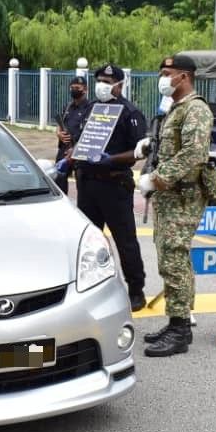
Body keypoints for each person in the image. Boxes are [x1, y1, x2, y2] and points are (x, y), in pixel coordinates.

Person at [135, 54, 213, 357]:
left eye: (167, 73)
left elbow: (194, 153)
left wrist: (157, 178)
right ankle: (177, 322)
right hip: (169, 197)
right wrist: (149, 144)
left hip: (183, 196)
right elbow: (171, 146)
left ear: (184, 76)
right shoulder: (174, 108)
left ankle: (180, 331)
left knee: (174, 258)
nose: (163, 79)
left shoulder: (196, 109)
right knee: (169, 257)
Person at [74, 64, 148, 311]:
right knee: (87, 242)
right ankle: (89, 289)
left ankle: (136, 290)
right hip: (88, 184)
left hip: (114, 185)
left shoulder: (130, 113)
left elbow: (138, 152)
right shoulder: (90, 109)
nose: (102, 85)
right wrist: (69, 159)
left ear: (120, 84)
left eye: (107, 81)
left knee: (125, 241)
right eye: (99, 80)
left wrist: (112, 159)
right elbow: (80, 141)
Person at [53, 75, 92, 194]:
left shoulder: (90, 107)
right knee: (58, 181)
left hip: (80, 151)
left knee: (82, 185)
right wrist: (58, 133)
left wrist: (76, 148)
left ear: (85, 89)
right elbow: (60, 124)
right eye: (72, 87)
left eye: (77, 88)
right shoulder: (68, 106)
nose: (74, 90)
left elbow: (90, 131)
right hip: (64, 149)